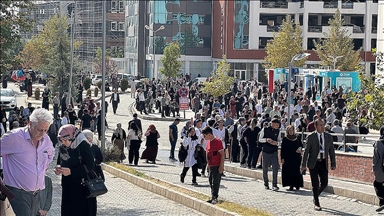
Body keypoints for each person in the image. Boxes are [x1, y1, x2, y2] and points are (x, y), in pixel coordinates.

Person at [0, 108, 55, 216]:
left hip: (37, 195)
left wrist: (45, 165)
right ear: (30, 124)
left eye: (45, 130)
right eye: (39, 129)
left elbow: (51, 153)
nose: (42, 133)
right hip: (17, 194)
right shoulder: (14, 137)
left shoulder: (46, 139)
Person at [55, 124, 96, 216]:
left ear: (72, 136)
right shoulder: (63, 147)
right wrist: (58, 168)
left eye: (65, 140)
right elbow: (60, 161)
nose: (64, 142)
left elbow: (90, 165)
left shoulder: (83, 145)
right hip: (68, 186)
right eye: (61, 140)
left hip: (83, 186)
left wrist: (71, 171)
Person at [301, 118, 336, 211]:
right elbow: (306, 151)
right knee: (315, 184)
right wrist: (303, 164)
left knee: (324, 183)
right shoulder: (311, 137)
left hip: (323, 162)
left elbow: (332, 150)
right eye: (320, 125)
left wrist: (333, 162)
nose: (322, 127)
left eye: (323, 125)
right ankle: (316, 203)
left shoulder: (328, 136)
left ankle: (316, 194)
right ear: (315, 126)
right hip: (314, 162)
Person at [202, 126, 224, 205]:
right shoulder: (208, 142)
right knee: (210, 180)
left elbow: (222, 154)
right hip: (210, 165)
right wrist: (208, 165)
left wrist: (221, 165)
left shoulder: (218, 142)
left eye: (204, 135)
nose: (204, 137)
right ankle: (212, 196)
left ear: (209, 134)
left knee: (215, 181)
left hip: (217, 164)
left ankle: (215, 197)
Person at [258, 118, 281, 191]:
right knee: (265, 168)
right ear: (272, 123)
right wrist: (266, 140)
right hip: (265, 151)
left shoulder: (278, 131)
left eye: (278, 125)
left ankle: (274, 184)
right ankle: (266, 183)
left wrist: (277, 143)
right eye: (276, 124)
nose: (277, 126)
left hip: (274, 151)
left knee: (275, 167)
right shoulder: (265, 129)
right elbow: (260, 139)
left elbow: (279, 140)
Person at [281, 125, 304, 191]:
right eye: (289, 131)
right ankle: (291, 185)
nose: (291, 132)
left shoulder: (297, 137)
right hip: (288, 158)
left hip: (296, 157)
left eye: (292, 130)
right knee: (289, 171)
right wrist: (282, 158)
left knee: (296, 171)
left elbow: (301, 145)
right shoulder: (285, 139)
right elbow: (283, 149)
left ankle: (297, 185)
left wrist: (299, 149)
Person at [373, 126, 384, 212]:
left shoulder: (378, 143)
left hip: (381, 169)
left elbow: (376, 159)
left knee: (377, 184)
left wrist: (374, 170)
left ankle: (382, 201)